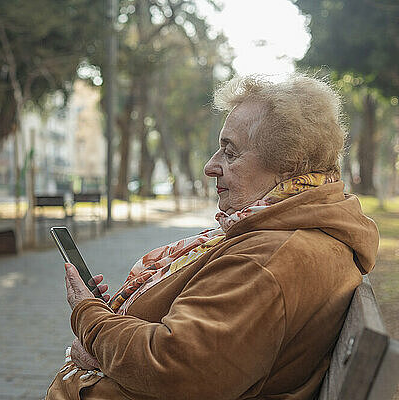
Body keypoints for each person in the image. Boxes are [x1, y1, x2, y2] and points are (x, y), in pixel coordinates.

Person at [45, 74, 379, 400]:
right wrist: (106, 346)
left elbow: (176, 368)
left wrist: (90, 318)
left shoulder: (269, 259)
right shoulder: (281, 233)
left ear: (287, 165)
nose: (210, 166)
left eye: (230, 152)